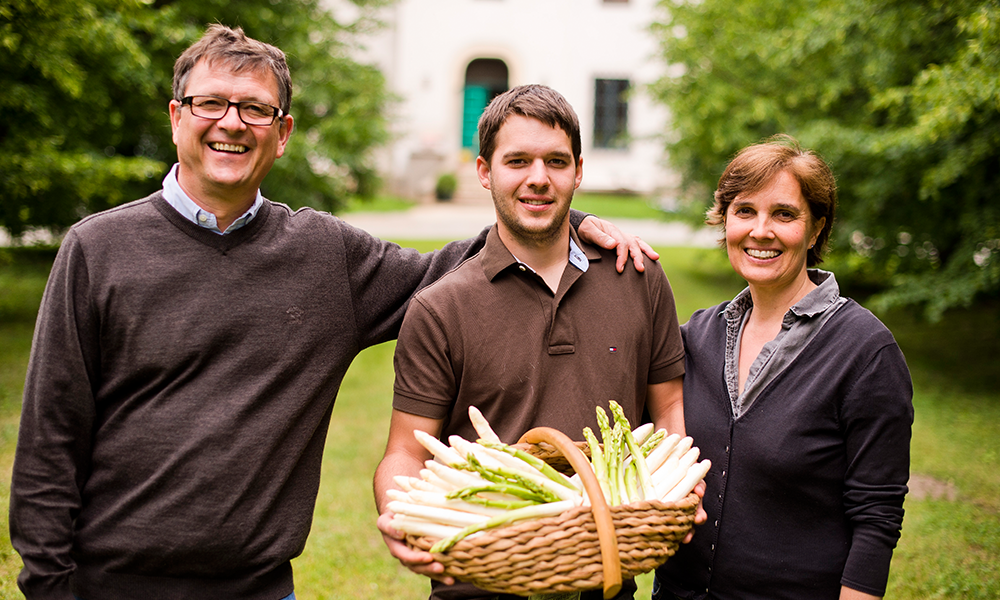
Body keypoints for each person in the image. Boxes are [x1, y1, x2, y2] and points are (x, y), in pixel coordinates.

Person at [8, 26, 657, 600]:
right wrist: (49, 586)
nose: (232, 123)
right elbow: (50, 441)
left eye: (256, 109)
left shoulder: (324, 257)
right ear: (178, 117)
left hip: (260, 587)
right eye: (211, 103)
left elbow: (451, 267)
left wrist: (563, 216)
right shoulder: (99, 249)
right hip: (112, 584)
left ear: (283, 133)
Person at [373, 84, 690, 600]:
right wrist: (397, 512)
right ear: (484, 171)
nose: (538, 178)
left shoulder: (638, 277)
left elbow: (669, 405)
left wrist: (680, 480)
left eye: (556, 162)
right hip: (478, 583)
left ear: (578, 171)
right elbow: (406, 452)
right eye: (517, 161)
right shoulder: (439, 307)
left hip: (607, 577)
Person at [653, 135, 913, 600]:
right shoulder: (697, 337)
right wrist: (582, 223)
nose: (760, 230)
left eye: (784, 214)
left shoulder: (865, 352)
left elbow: (876, 515)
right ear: (725, 220)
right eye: (744, 211)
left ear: (815, 230)